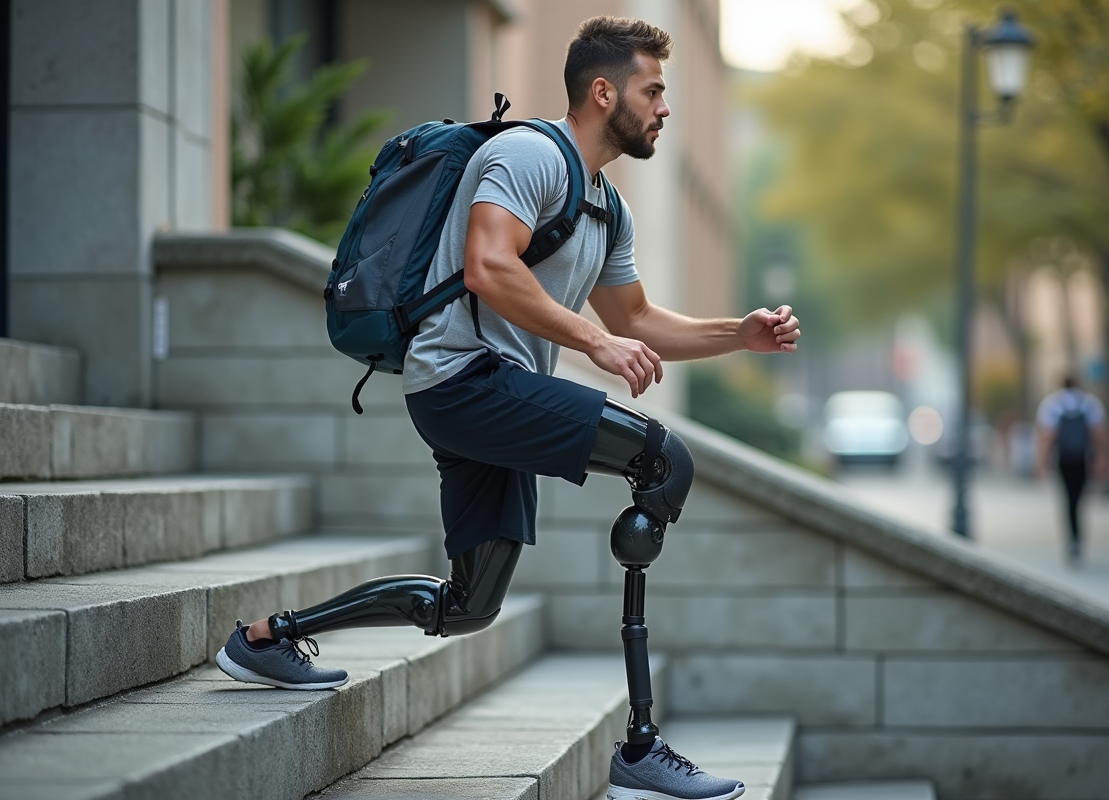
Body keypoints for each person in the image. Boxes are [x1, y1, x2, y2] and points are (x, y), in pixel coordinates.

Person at [215, 16, 799, 800]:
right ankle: (641, 748)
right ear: (604, 91)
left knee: (468, 606)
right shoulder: (525, 155)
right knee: (661, 459)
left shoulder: (604, 205)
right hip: (461, 380)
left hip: (487, 395)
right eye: (653, 89)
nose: (665, 107)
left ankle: (267, 639)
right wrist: (592, 346)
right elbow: (490, 266)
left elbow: (636, 320)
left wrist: (739, 335)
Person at [1035, 376, 1109, 563]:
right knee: (1079, 499)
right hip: (1083, 458)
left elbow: (1047, 436)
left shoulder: (1053, 404)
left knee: (1068, 499)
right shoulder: (1090, 403)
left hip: (1064, 459)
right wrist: (1102, 457)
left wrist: (1042, 462)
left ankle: (1073, 539)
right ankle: (1078, 538)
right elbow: (1098, 433)